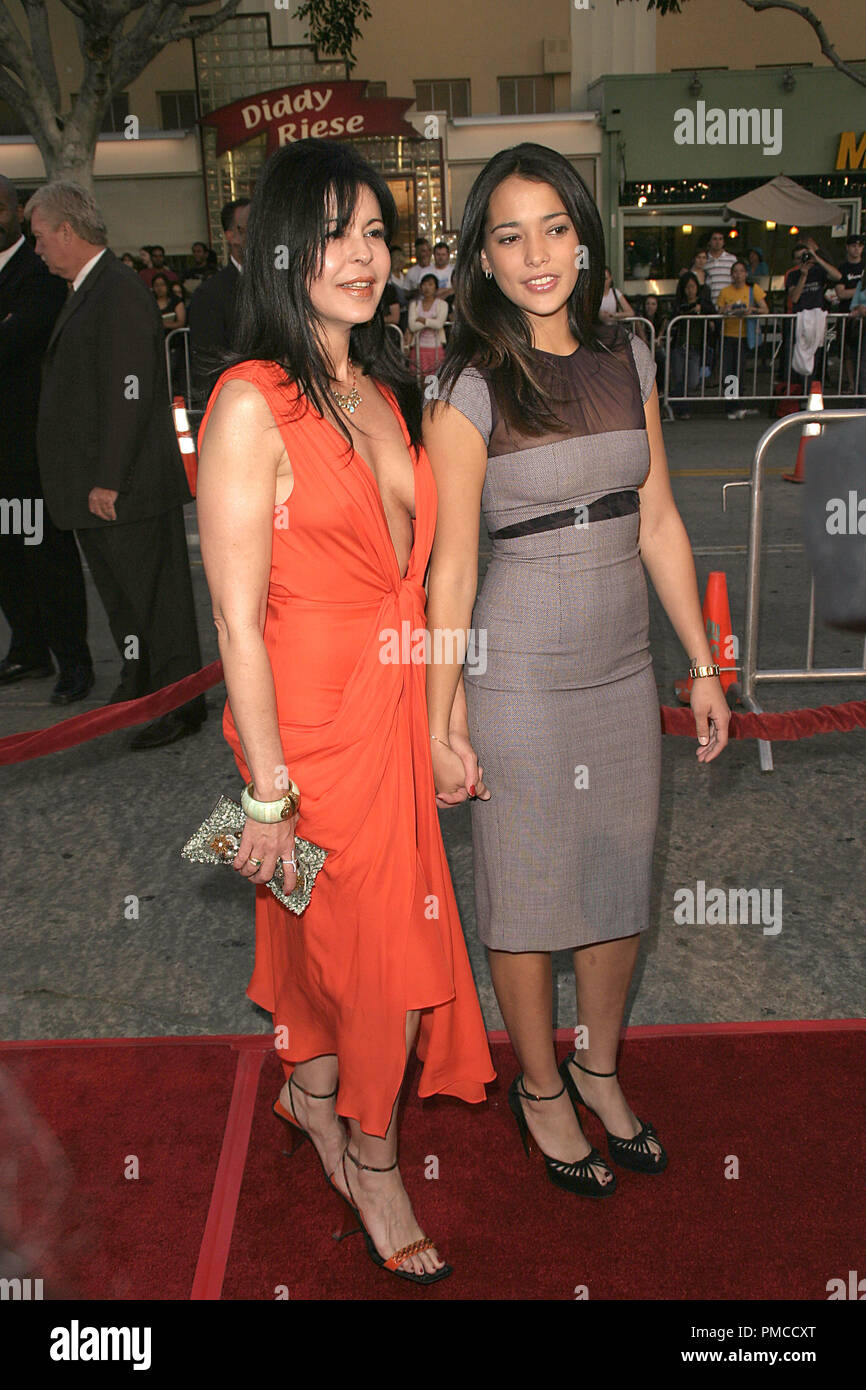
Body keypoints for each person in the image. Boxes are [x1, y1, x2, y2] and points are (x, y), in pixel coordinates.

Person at [195, 138, 494, 1284]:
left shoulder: (378, 392)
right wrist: (265, 791)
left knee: (346, 949)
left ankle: (311, 1098)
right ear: (279, 246)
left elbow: (422, 566)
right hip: (307, 738)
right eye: (335, 232)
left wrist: (439, 723)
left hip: (386, 710)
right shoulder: (245, 403)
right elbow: (234, 621)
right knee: (381, 968)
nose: (363, 254)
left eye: (375, 231)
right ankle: (373, 1159)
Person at [424, 142, 729, 1205]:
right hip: (515, 674)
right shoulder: (465, 383)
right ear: (484, 257)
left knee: (615, 876)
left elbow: (654, 515)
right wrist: (441, 707)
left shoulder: (630, 351)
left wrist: (699, 663)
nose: (536, 253)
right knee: (527, 888)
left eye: (553, 226)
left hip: (615, 665)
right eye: (508, 234)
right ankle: (540, 1085)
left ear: (583, 234)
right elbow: (450, 565)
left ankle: (598, 1064)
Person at [27, 181, 207, 748]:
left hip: (126, 490)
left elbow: (130, 394)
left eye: (38, 238)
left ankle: (181, 704)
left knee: (158, 604)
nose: (36, 250)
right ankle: (139, 688)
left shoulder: (118, 290)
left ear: (65, 231)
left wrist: (109, 478)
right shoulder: (91, 289)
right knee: (126, 605)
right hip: (100, 492)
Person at [0, 173, 94, 703]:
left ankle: (73, 661)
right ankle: (27, 649)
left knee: (43, 555)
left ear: (13, 211)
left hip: (26, 456)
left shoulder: (38, 272)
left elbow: (17, 341)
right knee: (6, 559)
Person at [186, 197, 250, 406]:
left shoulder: (288, 283)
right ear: (231, 236)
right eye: (249, 228)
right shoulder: (210, 295)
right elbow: (207, 371)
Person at [783, 237, 841, 389]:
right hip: (799, 318)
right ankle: (798, 392)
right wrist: (803, 275)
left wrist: (816, 257)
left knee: (815, 356)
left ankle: (812, 391)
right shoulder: (792, 275)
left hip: (817, 319)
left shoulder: (818, 270)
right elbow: (794, 297)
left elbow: (837, 276)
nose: (802, 261)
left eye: (804, 256)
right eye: (798, 259)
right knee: (797, 356)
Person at [717, 258, 767, 417]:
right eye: (735, 272)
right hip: (728, 334)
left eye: (741, 271)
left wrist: (750, 310)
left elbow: (765, 309)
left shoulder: (753, 289)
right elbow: (719, 311)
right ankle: (730, 405)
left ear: (746, 273)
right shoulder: (725, 291)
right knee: (729, 371)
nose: (738, 275)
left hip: (744, 335)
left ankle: (739, 403)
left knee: (740, 371)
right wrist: (728, 309)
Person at [669, 270, 715, 418]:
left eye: (693, 287)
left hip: (695, 347)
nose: (690, 290)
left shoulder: (703, 304)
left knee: (692, 381)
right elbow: (672, 319)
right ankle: (683, 409)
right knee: (678, 379)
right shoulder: (678, 304)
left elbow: (713, 313)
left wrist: (700, 310)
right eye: (687, 287)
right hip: (679, 346)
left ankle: (678, 406)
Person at [833, 232, 865, 392]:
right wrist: (861, 291)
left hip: (863, 315)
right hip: (847, 314)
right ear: (847, 247)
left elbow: (846, 292)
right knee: (848, 352)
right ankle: (852, 383)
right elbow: (841, 293)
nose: (856, 249)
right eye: (853, 246)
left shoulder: (864, 266)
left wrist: (853, 291)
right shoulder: (842, 268)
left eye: (859, 246)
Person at [407, 272, 447, 375]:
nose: (427, 288)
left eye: (430, 284)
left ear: (436, 288)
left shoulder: (442, 304)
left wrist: (422, 320)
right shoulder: (414, 304)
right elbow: (412, 326)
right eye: (424, 284)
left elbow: (439, 324)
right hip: (418, 348)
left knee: (436, 380)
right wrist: (431, 320)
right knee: (419, 380)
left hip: (436, 348)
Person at [702, 229, 736, 307]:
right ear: (709, 242)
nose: (718, 242)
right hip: (710, 304)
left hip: (728, 304)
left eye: (720, 239)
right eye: (715, 239)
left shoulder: (732, 259)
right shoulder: (704, 260)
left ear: (723, 242)